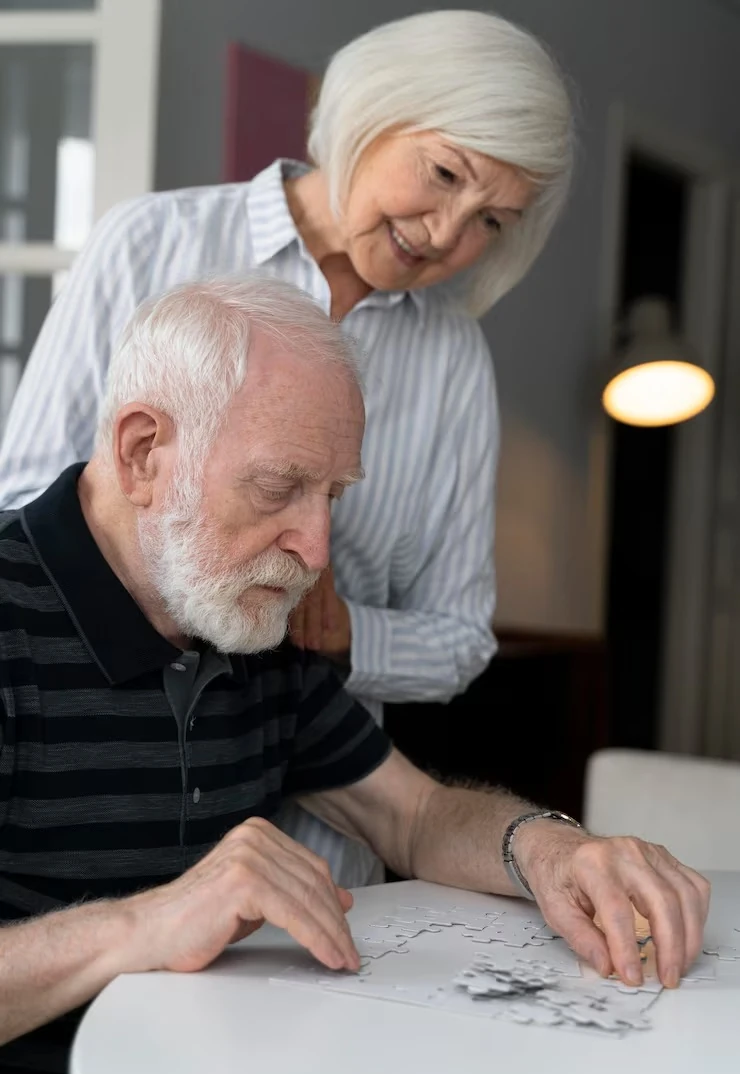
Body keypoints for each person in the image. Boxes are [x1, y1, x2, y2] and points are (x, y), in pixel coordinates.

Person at [0, 277, 709, 1074]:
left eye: (333, 494)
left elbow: (415, 815)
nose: (315, 550)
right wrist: (144, 924)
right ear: (143, 452)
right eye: (279, 488)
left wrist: (549, 850)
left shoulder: (244, 612)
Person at [0, 10, 575, 886]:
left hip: (330, 805)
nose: (447, 233)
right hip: (102, 785)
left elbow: (456, 648)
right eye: (444, 173)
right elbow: (30, 507)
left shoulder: (453, 359)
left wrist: (343, 630)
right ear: (375, 110)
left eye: (492, 220)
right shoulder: (152, 243)